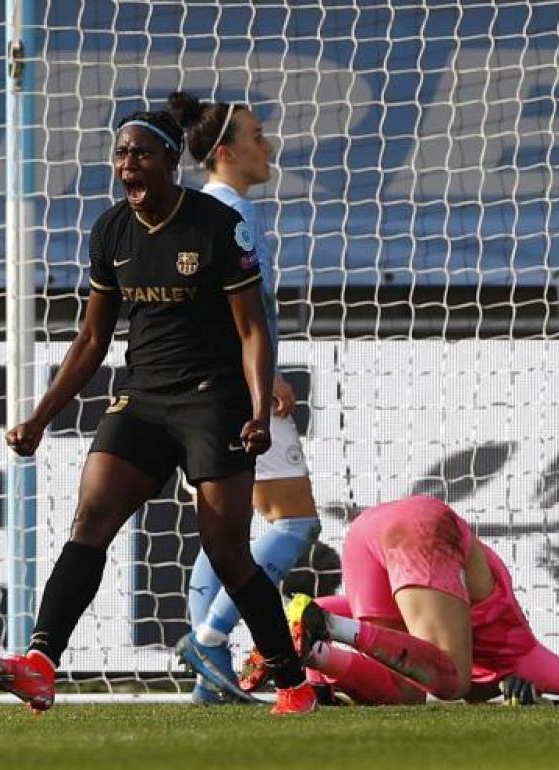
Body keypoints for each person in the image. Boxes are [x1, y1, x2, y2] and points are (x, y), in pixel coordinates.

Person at [0, 109, 316, 715]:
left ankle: (292, 682)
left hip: (214, 400)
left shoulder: (217, 225)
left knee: (228, 552)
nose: (127, 165)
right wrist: (40, 416)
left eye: (141, 154)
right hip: (143, 398)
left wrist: (259, 410)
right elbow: (90, 340)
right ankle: (40, 663)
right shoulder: (111, 231)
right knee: (91, 517)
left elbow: (253, 330)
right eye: (120, 155)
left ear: (170, 162)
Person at [167, 91, 322, 706]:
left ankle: (212, 679)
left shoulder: (200, 210)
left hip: (199, 390)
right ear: (226, 152)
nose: (269, 145)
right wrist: (265, 375)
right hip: (239, 389)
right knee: (293, 521)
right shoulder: (229, 213)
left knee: (224, 533)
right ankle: (209, 638)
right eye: (258, 135)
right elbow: (228, 310)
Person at [244, 495, 559, 707]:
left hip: (366, 533)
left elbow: (322, 607)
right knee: (451, 681)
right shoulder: (520, 656)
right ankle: (330, 638)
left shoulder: (431, 622)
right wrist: (554, 709)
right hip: (421, 529)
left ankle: (317, 660)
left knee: (409, 690)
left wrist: (318, 674)